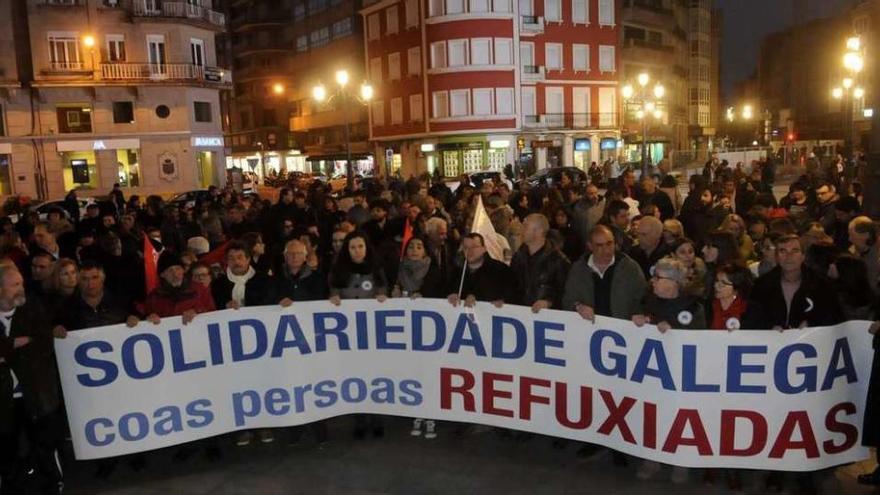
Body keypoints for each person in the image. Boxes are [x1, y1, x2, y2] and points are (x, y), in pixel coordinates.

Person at [631, 257, 705, 483]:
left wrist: (674, 332)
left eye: (658, 278)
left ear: (674, 283)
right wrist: (638, 319)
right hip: (653, 372)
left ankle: (679, 461)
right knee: (652, 415)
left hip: (683, 374)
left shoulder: (693, 306)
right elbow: (637, 318)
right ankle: (652, 458)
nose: (652, 282)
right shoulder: (649, 301)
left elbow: (701, 341)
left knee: (680, 417)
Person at [0, 263, 64, 495]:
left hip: (37, 393)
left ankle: (53, 484)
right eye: (15, 285)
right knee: (7, 448)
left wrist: (5, 352)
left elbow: (43, 344)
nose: (21, 289)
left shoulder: (33, 309)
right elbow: (24, 347)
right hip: (5, 399)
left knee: (45, 445)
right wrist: (13, 343)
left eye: (22, 284)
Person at [328, 231, 388, 439]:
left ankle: (378, 418)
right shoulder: (338, 270)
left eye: (360, 246)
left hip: (372, 333)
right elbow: (333, 291)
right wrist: (333, 298)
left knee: (374, 376)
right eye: (352, 247)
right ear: (347, 249)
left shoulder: (376, 268)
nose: (357, 251)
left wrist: (383, 296)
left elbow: (383, 290)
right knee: (354, 377)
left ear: (366, 247)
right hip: (348, 334)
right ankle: (360, 420)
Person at [742, 234, 843, 330]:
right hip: (772, 344)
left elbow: (834, 319)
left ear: (803, 256)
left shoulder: (822, 284)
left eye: (794, 251)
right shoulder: (762, 285)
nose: (789, 256)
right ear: (777, 257)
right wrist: (768, 327)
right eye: (783, 251)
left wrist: (812, 324)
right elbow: (751, 320)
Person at [510, 214, 570, 312]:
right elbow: (511, 284)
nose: (521, 230)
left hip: (545, 318)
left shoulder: (558, 261)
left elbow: (566, 293)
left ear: (539, 231)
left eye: (525, 226)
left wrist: (549, 302)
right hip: (520, 314)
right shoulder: (519, 256)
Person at [447, 233, 517, 307]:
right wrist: (451, 296)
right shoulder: (456, 272)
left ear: (484, 248)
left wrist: (504, 302)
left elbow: (515, 296)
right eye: (466, 248)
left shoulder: (501, 270)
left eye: (474, 247)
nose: (469, 251)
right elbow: (446, 292)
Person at [709, 263, 752, 331]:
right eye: (716, 281)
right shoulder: (708, 306)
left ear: (736, 287)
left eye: (723, 283)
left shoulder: (750, 310)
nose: (716, 286)